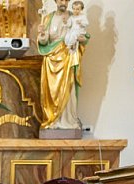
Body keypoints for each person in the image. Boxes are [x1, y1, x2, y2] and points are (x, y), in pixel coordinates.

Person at [37, 0, 88, 131]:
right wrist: (42, 35)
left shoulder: (74, 16)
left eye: (65, 0)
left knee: (68, 90)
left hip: (67, 58)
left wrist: (81, 39)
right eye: (60, 0)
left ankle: (69, 121)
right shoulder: (48, 18)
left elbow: (84, 36)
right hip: (51, 60)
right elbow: (44, 41)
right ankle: (52, 120)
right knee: (51, 91)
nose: (63, 2)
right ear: (56, 1)